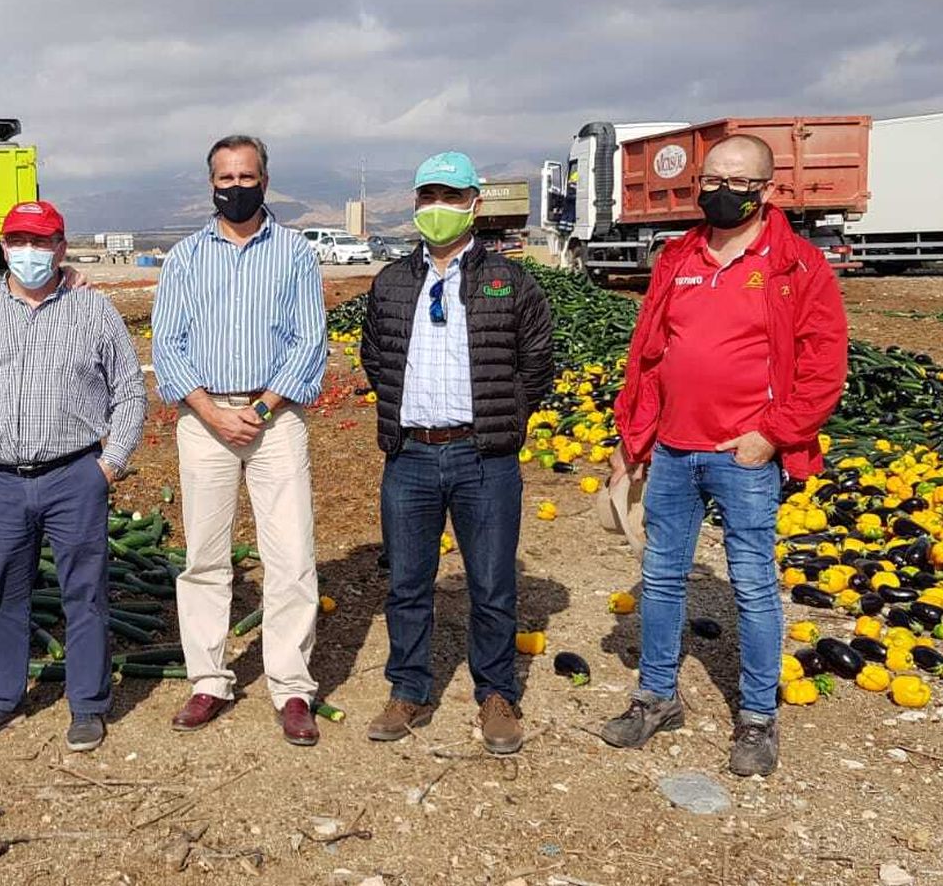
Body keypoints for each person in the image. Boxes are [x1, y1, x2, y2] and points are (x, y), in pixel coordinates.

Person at [600, 134, 848, 777]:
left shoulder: (797, 266)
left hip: (744, 456)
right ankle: (656, 697)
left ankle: (758, 718)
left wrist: (771, 434)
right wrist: (636, 438)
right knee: (660, 578)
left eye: (737, 182)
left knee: (753, 587)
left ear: (766, 191)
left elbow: (824, 368)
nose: (720, 191)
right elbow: (649, 355)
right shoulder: (678, 256)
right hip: (676, 452)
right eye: (711, 178)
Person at [359, 151, 554, 755]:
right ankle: (408, 688)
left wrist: (500, 422)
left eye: (449, 197)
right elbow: (374, 357)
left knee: (492, 584)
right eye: (427, 198)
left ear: (474, 203)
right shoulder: (392, 281)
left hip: (483, 457)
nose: (437, 209)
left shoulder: (510, 281)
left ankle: (496, 694)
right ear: (416, 205)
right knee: (408, 583)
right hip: (411, 456)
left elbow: (537, 366)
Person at [0, 200, 146, 751]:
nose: (29, 252)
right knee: (2, 593)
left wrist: (110, 465)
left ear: (61, 248)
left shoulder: (93, 312)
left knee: (84, 593)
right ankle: (0, 698)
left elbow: (129, 390)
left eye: (41, 242)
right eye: (18, 241)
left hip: (73, 475)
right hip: (0, 480)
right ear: (3, 247)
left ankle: (86, 704)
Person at [150, 135, 328, 746]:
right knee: (204, 556)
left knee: (292, 557)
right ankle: (208, 679)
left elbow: (310, 342)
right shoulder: (184, 258)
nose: (235, 187)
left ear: (265, 180)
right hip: (204, 422)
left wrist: (259, 407)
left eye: (245, 176)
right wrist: (211, 411)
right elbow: (166, 346)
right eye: (224, 178)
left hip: (274, 420)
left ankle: (292, 686)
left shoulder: (297, 254)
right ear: (211, 185)